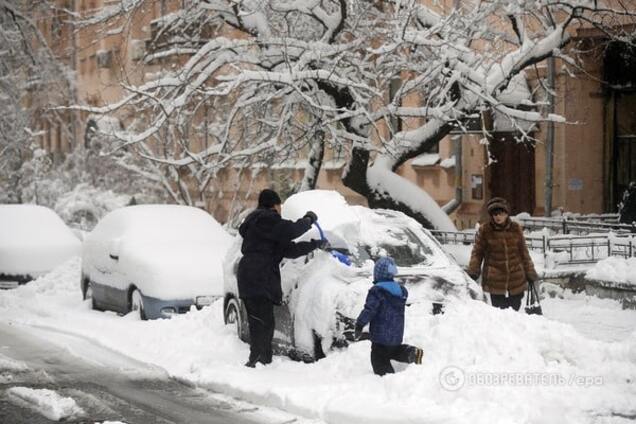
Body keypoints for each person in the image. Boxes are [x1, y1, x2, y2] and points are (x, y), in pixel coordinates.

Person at [237, 188, 326, 367]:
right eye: (280, 205)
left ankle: (260, 359)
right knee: (265, 320)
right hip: (259, 274)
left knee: (258, 320)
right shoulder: (266, 219)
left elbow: (289, 249)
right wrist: (308, 220)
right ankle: (259, 359)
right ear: (274, 205)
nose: (281, 209)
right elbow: (291, 230)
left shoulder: (260, 226)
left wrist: (315, 244)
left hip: (247, 274)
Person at [354, 256, 423, 376]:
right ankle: (411, 353)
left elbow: (369, 310)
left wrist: (360, 324)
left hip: (380, 335)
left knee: (378, 357)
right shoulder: (400, 291)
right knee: (394, 350)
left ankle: (387, 379)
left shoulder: (377, 291)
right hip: (396, 333)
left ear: (378, 274)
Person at [467, 197, 538, 311]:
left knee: (514, 308)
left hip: (516, 277)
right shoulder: (485, 230)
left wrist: (530, 272)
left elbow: (524, 252)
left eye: (500, 213)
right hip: (495, 278)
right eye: (495, 214)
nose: (498, 217)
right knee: (499, 310)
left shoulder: (515, 228)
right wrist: (473, 270)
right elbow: (477, 252)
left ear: (506, 213)